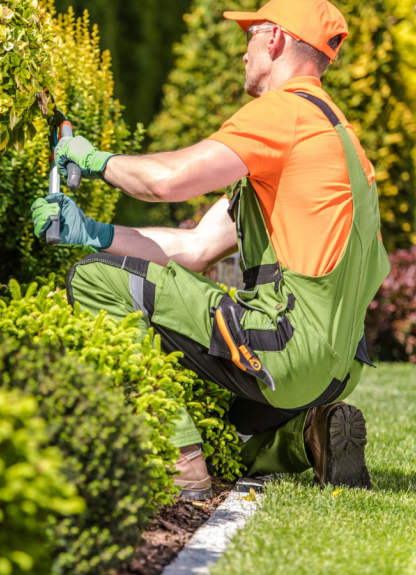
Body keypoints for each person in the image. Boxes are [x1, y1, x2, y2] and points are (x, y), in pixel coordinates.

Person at [31, 0, 389, 499]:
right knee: (218, 423)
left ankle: (177, 463)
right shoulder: (338, 140)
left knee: (92, 279)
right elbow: (197, 247)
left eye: (250, 36)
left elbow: (165, 182)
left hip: (285, 348)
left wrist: (94, 159)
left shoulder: (283, 113)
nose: (243, 53)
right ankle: (306, 436)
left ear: (276, 40)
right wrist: (91, 232)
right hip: (334, 368)